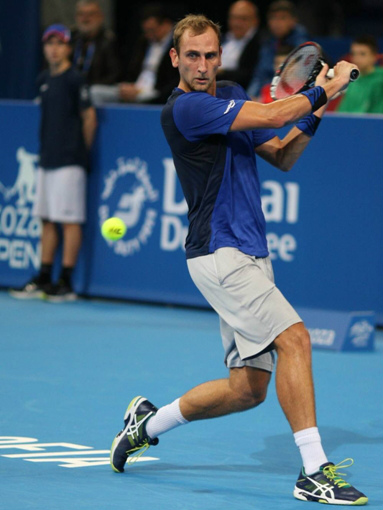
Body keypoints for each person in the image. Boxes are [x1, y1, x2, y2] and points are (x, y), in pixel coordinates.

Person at [109, 14, 368, 506]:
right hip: (220, 252)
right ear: (174, 59)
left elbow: (281, 152)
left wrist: (316, 107)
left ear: (220, 56)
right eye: (193, 56)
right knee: (296, 339)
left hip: (249, 251)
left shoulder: (225, 94)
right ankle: (314, 471)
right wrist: (323, 89)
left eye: (210, 55)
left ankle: (149, 422)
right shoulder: (185, 109)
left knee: (247, 389)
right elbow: (273, 116)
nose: (203, 65)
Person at [9, 24, 97, 302]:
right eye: (49, 44)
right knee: (47, 219)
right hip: (46, 160)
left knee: (69, 221)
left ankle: (66, 282)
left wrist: (81, 153)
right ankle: (44, 277)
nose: (54, 49)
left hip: (70, 160)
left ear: (69, 48)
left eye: (59, 44)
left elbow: (89, 117)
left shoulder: (75, 80)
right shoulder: (43, 79)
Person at [89, 3, 179, 105]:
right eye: (146, 31)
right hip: (136, 89)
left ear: (166, 25)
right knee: (95, 92)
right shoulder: (144, 42)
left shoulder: (178, 46)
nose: (149, 35)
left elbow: (175, 80)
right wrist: (128, 86)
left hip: (156, 93)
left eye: (152, 30)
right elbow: (131, 71)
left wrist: (153, 92)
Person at [247, 0, 309, 98]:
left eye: (282, 18)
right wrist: (250, 97)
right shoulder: (268, 41)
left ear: (293, 20)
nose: (277, 23)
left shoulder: (303, 45)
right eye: (273, 18)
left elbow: (298, 80)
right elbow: (259, 75)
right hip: (267, 96)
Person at [71, 0, 121, 86]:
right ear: (75, 17)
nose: (85, 19)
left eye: (90, 14)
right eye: (81, 14)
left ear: (100, 17)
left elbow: (115, 75)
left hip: (97, 91)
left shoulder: (109, 42)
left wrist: (89, 87)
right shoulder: (70, 39)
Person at [217, 0, 261, 90]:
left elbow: (248, 74)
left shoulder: (260, 43)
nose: (237, 23)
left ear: (255, 21)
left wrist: (222, 72)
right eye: (233, 18)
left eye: (243, 19)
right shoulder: (221, 38)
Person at [335, 35, 383, 114]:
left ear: (374, 56)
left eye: (362, 54)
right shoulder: (350, 80)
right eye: (353, 54)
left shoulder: (381, 77)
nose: (356, 58)